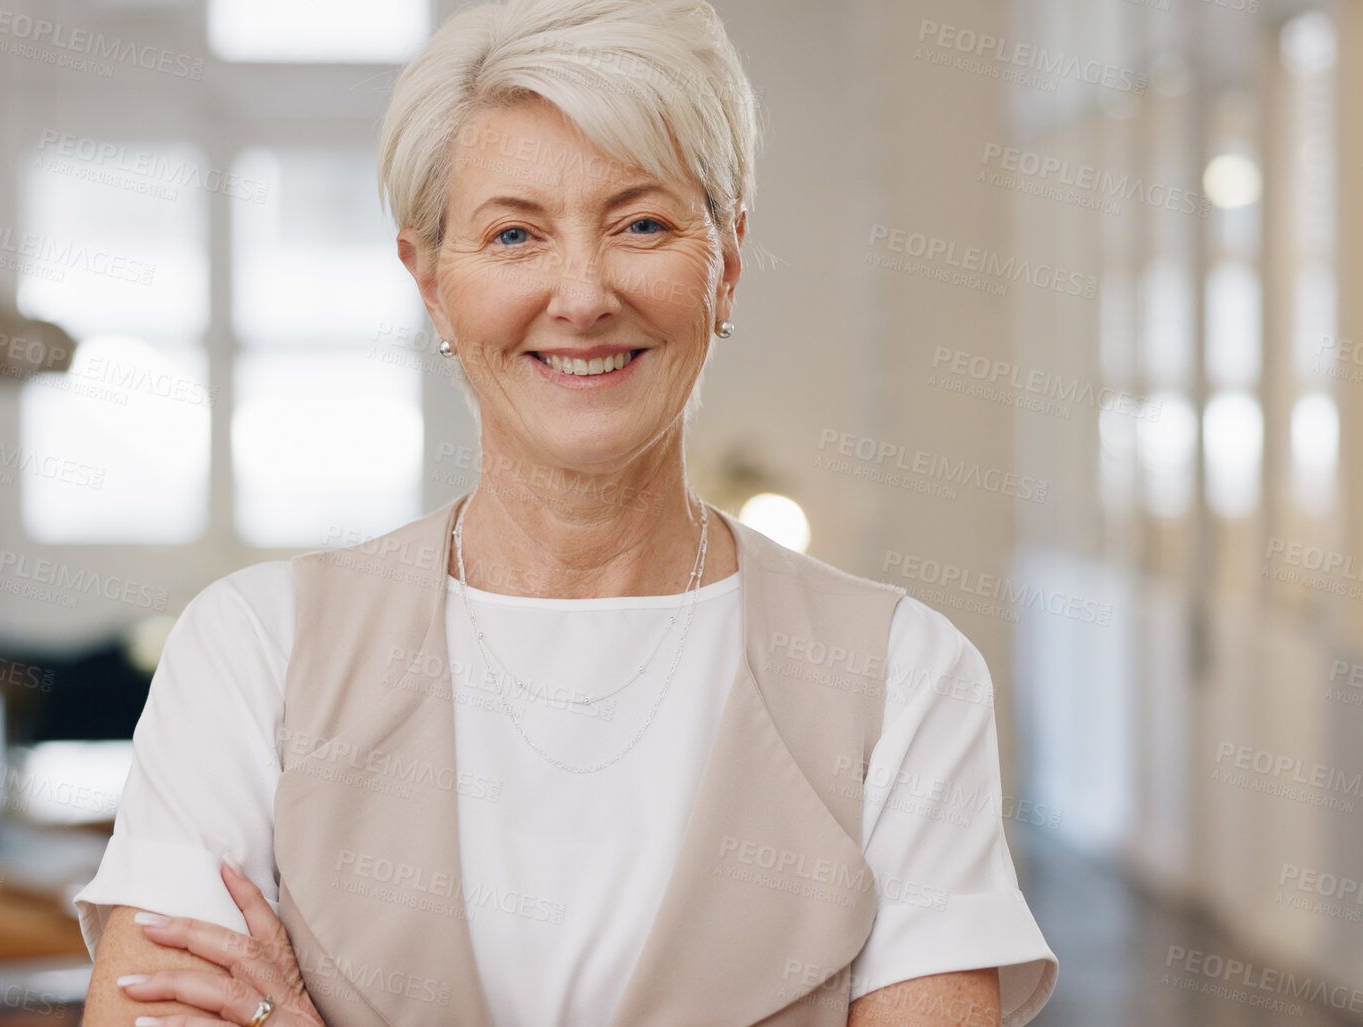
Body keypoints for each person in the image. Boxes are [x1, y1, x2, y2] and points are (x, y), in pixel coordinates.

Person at [75, 0, 1057, 1023]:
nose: (582, 294)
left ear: (725, 260)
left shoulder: (901, 677)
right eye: (514, 234)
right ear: (430, 282)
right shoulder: (253, 651)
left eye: (641, 223)